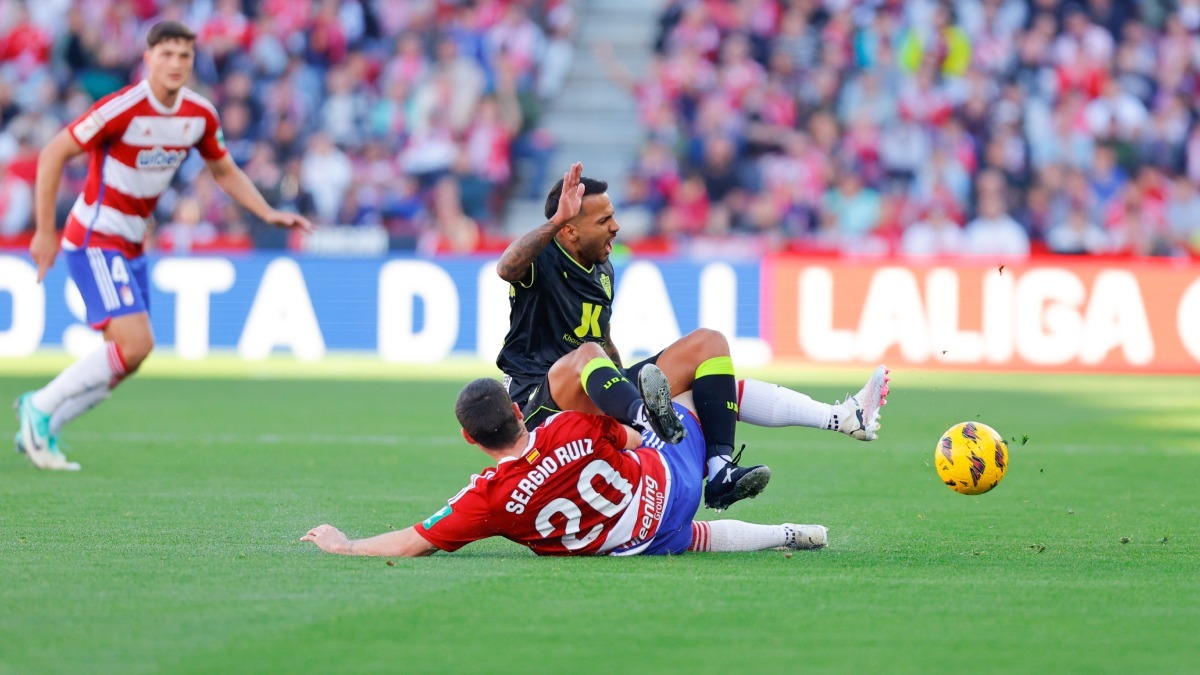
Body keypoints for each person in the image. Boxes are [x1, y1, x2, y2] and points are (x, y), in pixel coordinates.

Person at [494, 162, 888, 511]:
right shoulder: (543, 257)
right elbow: (506, 268)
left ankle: (731, 465)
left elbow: (604, 340)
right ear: (569, 231)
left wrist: (621, 383)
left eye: (613, 216)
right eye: (603, 221)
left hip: (597, 390)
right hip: (543, 405)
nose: (616, 226)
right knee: (590, 356)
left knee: (709, 350)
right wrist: (554, 221)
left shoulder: (603, 269)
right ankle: (647, 418)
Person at [14, 21, 313, 471]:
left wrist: (266, 211)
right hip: (96, 235)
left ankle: (44, 424)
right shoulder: (122, 108)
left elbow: (223, 169)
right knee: (135, 344)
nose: (175, 63)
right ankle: (38, 406)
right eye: (166, 54)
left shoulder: (199, 114)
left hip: (132, 242)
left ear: (193, 61)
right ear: (148, 58)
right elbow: (54, 152)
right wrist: (44, 231)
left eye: (184, 55)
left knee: (129, 357)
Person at [302, 374, 829, 558]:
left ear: (469, 439)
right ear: (517, 411)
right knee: (704, 385)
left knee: (690, 538)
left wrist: (345, 545)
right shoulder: (569, 425)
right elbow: (633, 440)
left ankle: (790, 534)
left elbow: (413, 541)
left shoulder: (487, 500)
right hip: (670, 486)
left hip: (629, 545)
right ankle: (722, 464)